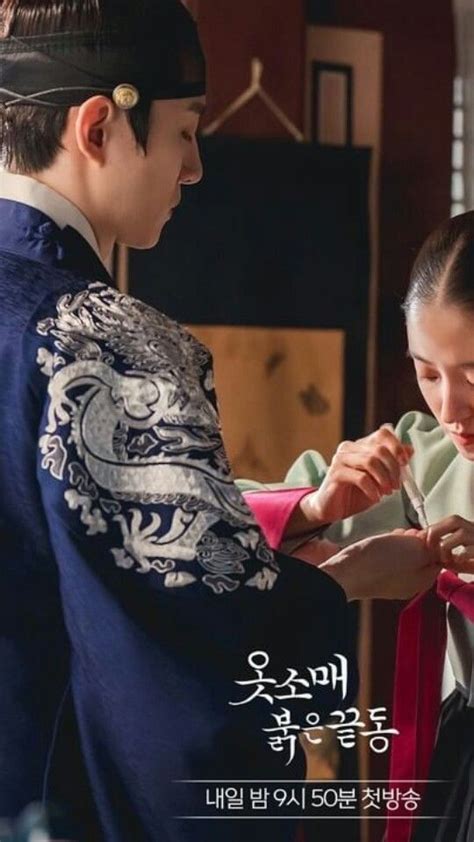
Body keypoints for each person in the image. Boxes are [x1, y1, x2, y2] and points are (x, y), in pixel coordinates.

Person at [0, 2, 445, 841]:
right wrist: (350, 580)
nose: (195, 168)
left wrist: (300, 517)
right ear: (99, 126)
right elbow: (198, 646)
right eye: (185, 132)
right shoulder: (106, 345)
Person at [239, 210, 474, 842]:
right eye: (429, 373)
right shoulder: (426, 458)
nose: (451, 408)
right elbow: (210, 521)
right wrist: (318, 505)